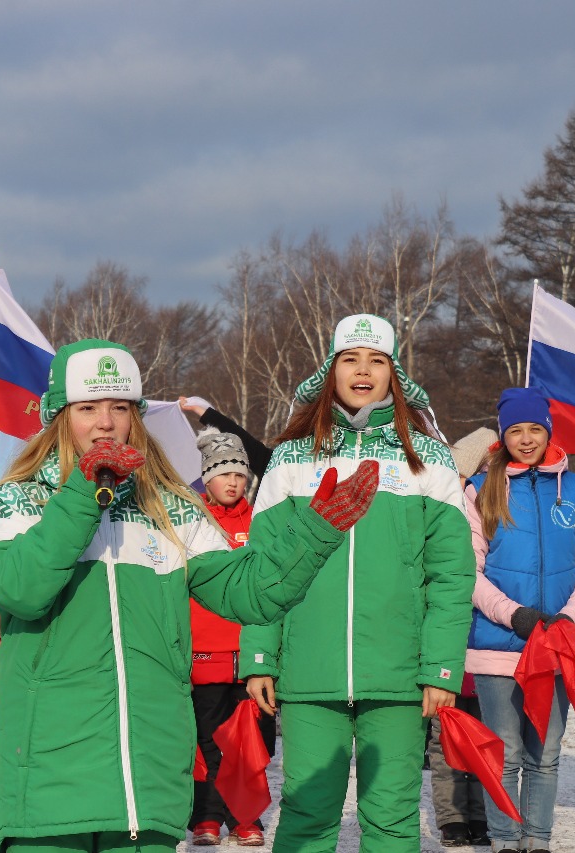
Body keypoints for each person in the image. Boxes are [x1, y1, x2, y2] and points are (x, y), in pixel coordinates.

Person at [0, 338, 376, 853]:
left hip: (150, 780)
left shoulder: (171, 506)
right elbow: (20, 589)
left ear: (136, 418)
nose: (105, 422)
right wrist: (82, 494)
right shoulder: (20, 495)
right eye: (88, 408)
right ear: (59, 416)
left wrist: (315, 532)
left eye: (119, 407)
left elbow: (249, 593)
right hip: (48, 780)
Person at [239, 314, 477, 853]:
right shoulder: (292, 457)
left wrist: (441, 667)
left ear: (395, 373)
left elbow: (451, 575)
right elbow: (263, 566)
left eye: (377, 360)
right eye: (351, 358)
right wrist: (258, 654)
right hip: (309, 671)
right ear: (331, 370)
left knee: (392, 818)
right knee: (305, 814)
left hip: (399, 676)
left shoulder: (429, 458)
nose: (364, 370)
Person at [465, 387, 575, 853]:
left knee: (544, 756)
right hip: (499, 644)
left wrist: (569, 619)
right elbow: (469, 571)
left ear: (549, 431)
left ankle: (537, 841)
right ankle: (505, 841)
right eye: (516, 431)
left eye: (535, 430)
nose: (526, 440)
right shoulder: (482, 489)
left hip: (556, 646)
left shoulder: (574, 489)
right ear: (503, 435)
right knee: (504, 755)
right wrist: (516, 614)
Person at [187, 431, 274, 848]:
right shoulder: (191, 522)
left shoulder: (260, 522)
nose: (234, 482)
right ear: (207, 478)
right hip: (204, 655)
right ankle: (206, 817)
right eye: (224, 474)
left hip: (253, 659)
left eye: (240, 474)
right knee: (207, 743)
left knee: (253, 744)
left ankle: (246, 819)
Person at [428, 427, 497, 848]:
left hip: (487, 646)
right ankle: (454, 817)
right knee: (446, 742)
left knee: (485, 737)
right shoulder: (434, 517)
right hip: (446, 652)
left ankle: (482, 815)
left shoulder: (490, 513)